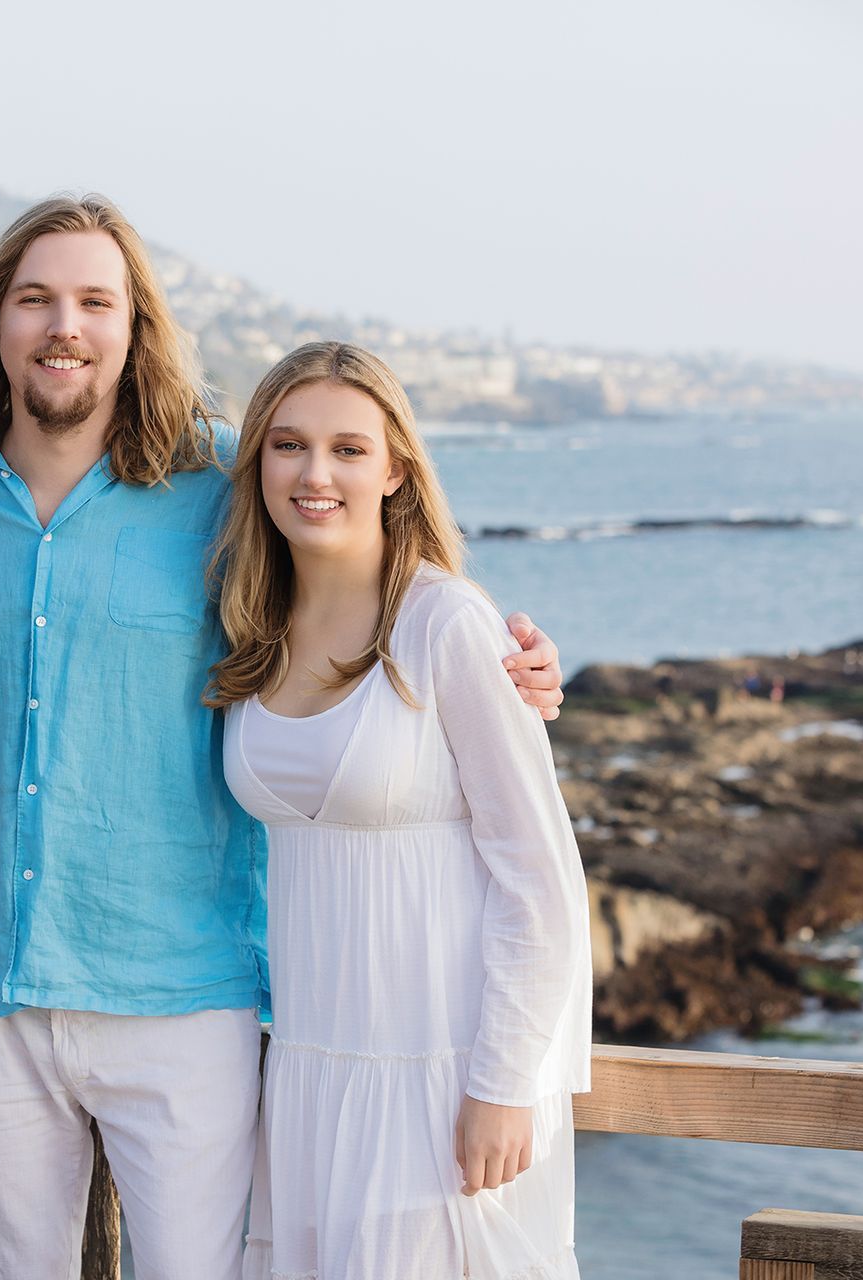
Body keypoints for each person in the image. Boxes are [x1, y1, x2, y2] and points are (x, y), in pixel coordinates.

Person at [0, 195, 568, 1279]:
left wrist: (503, 657)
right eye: (37, 299)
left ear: (135, 328)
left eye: (96, 300)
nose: (67, 325)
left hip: (187, 989)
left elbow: (358, 547)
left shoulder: (224, 482)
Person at [209, 342, 592, 1280]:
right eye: (288, 446)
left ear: (395, 471)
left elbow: (539, 877)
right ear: (256, 463)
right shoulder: (249, 630)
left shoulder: (446, 625)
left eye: (348, 448)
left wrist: (502, 1084)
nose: (315, 473)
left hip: (443, 1076)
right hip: (306, 1076)